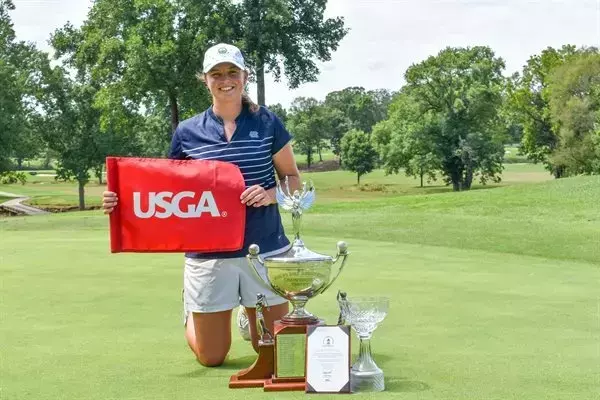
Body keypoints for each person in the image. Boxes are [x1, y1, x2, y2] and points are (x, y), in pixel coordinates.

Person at [102, 43, 301, 367]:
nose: (226, 80)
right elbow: (163, 191)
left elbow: (292, 177)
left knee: (275, 353)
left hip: (264, 248)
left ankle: (246, 318)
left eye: (232, 72)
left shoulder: (267, 123)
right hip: (208, 255)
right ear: (205, 80)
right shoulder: (187, 132)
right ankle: (193, 311)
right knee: (211, 356)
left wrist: (270, 193)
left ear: (245, 76)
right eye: (217, 74)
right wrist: (120, 201)